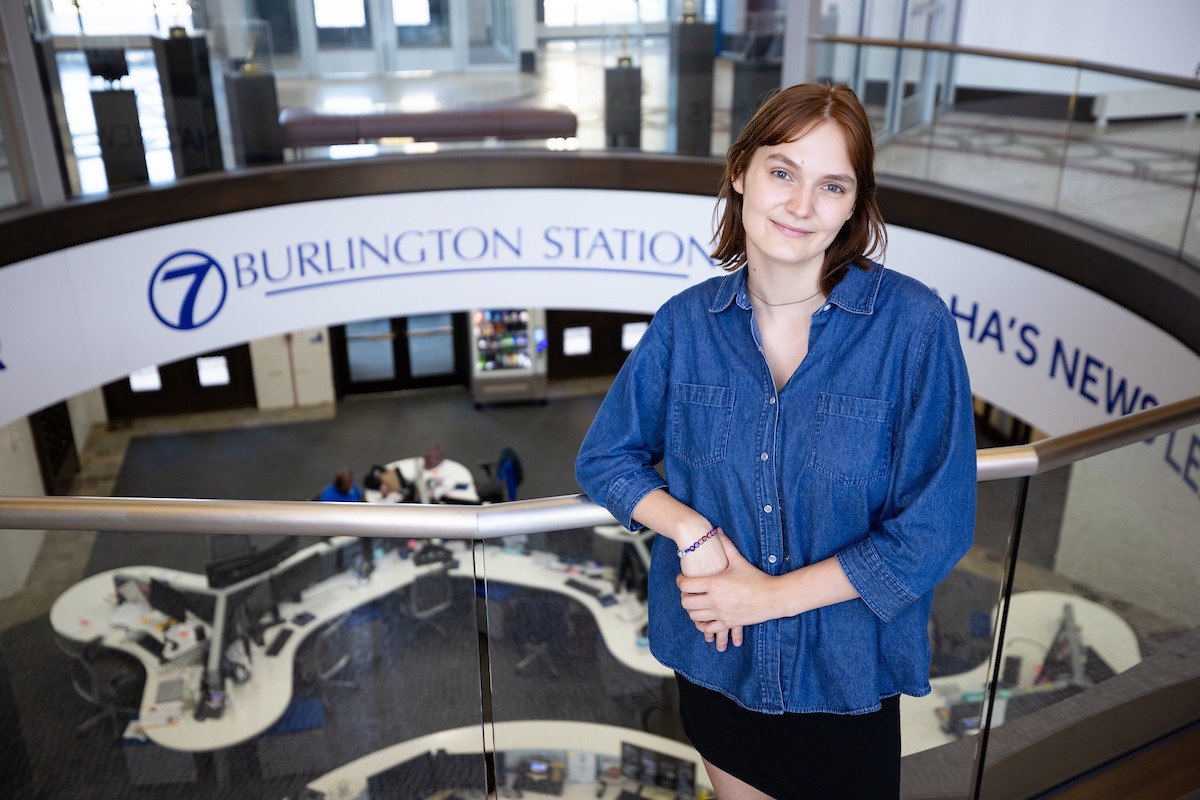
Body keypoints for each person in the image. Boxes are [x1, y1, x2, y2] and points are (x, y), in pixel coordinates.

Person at [575, 82, 976, 800]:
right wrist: (690, 529)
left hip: (846, 677)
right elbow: (605, 457)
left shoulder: (913, 327)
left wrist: (767, 599)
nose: (800, 205)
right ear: (741, 174)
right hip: (720, 666)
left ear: (855, 204)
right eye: (782, 172)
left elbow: (937, 527)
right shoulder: (685, 325)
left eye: (832, 185)